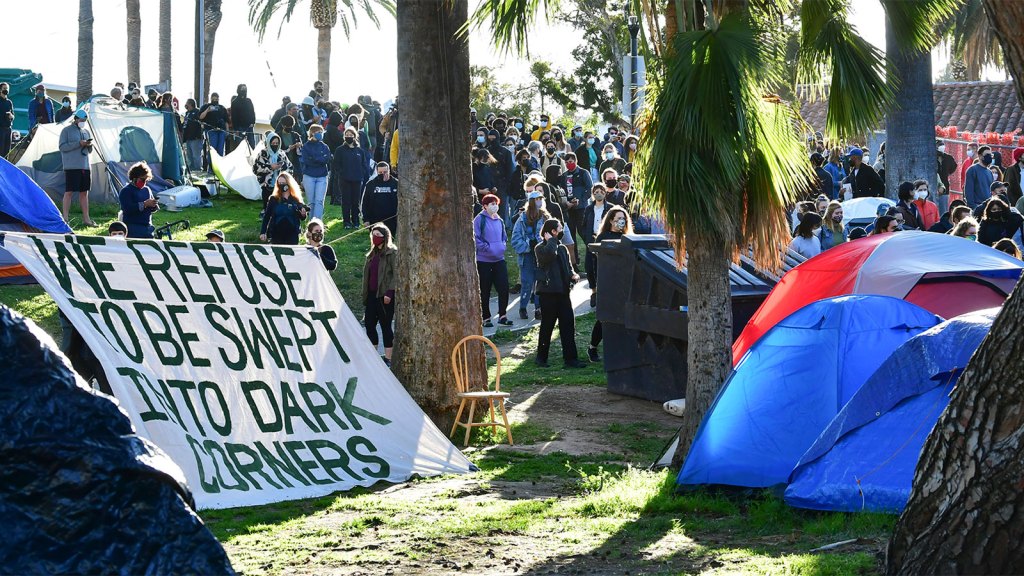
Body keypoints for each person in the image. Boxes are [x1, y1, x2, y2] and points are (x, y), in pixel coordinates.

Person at [534, 219, 587, 368]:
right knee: (547, 326)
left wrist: (573, 275)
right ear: (552, 231)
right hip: (548, 293)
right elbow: (548, 256)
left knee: (568, 325)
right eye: (559, 228)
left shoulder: (562, 248)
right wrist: (550, 241)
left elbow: (568, 267)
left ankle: (571, 359)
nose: (561, 230)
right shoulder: (540, 248)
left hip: (563, 292)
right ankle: (541, 358)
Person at [587, 206, 632, 362]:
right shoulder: (603, 237)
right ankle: (593, 347)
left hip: (624, 282)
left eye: (623, 218)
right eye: (618, 218)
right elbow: (596, 262)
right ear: (611, 220)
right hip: (607, 282)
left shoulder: (628, 237)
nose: (622, 221)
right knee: (604, 317)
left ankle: (620, 349)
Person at [475, 194, 513, 328]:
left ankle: (503, 315)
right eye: (491, 204)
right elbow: (476, 238)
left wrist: (502, 246)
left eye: (496, 203)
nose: (494, 206)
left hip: (499, 260)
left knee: (503, 288)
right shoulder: (479, 220)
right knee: (485, 290)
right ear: (485, 206)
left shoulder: (500, 220)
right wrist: (487, 248)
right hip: (484, 261)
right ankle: (486, 317)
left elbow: (504, 237)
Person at [363, 223, 397, 366]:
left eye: (378, 235)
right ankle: (373, 355)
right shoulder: (371, 254)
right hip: (371, 295)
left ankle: (388, 358)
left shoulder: (392, 253)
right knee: (369, 325)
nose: (375, 237)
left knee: (385, 326)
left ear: (385, 237)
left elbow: (396, 274)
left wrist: (389, 292)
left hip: (385, 296)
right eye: (373, 235)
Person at [512, 190, 549, 320]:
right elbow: (515, 240)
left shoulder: (545, 217)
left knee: (540, 283)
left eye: (541, 198)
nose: (540, 201)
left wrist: (541, 245)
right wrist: (528, 245)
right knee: (527, 283)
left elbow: (552, 235)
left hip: (540, 256)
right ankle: (523, 307)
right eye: (537, 199)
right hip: (527, 256)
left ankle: (538, 309)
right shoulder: (522, 219)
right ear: (532, 201)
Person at [58, 109, 96, 226]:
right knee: (69, 192)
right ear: (75, 119)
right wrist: (79, 143)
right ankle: (65, 218)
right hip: (71, 166)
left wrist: (89, 145)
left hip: (85, 166)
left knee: (84, 192)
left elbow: (89, 150)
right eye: (81, 120)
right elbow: (62, 147)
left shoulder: (86, 131)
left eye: (85, 120)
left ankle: (86, 219)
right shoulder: (66, 131)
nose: (83, 122)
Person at [332, 127, 371, 228]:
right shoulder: (340, 150)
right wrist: (341, 173)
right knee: (346, 201)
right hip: (344, 179)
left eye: (351, 135)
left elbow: (364, 164)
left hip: (357, 179)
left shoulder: (359, 151)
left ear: (355, 136)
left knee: (355, 201)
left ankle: (356, 221)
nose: (348, 137)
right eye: (347, 135)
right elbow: (336, 164)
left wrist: (362, 174)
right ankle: (346, 222)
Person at [559, 152, 594, 262]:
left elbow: (589, 188)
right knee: (571, 234)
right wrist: (567, 203)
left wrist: (582, 200)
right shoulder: (564, 175)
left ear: (575, 161)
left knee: (583, 231)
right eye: (566, 162)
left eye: (570, 162)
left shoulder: (583, 172)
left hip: (582, 208)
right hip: (569, 209)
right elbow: (562, 191)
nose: (569, 164)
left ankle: (592, 253)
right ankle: (574, 260)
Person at [260, 172, 308, 245]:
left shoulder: (295, 199)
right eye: (279, 183)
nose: (281, 185)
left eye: (283, 183)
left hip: (292, 233)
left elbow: (302, 217)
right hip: (276, 233)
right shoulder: (273, 199)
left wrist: (303, 214)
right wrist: (263, 232)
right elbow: (267, 216)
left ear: (289, 184)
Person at [252, 131, 294, 214]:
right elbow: (256, 168)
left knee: (279, 204)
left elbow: (290, 167)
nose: (275, 145)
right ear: (268, 142)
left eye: (277, 143)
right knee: (267, 204)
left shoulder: (282, 154)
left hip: (280, 184)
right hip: (266, 184)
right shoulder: (263, 153)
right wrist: (270, 167)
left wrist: (283, 172)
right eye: (273, 143)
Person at [583, 183, 611, 303]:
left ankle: (603, 292)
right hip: (591, 239)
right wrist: (587, 238)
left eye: (601, 191)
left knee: (602, 267)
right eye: (596, 191)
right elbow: (584, 225)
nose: (598, 193)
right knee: (589, 267)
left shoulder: (610, 208)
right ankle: (593, 291)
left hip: (603, 240)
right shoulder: (589, 209)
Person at [118, 162, 160, 238]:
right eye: (143, 180)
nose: (144, 183)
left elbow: (150, 208)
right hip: (132, 227)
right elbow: (127, 209)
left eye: (146, 180)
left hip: (147, 226)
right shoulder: (126, 191)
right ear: (134, 177)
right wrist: (145, 204)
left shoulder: (147, 190)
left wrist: (154, 205)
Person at [301, 124, 331, 220]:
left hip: (322, 176)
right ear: (312, 133)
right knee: (311, 201)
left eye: (322, 132)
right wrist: (320, 159)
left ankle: (317, 221)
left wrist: (315, 158)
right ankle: (311, 222)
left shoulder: (325, 146)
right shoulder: (306, 146)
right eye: (319, 132)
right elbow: (306, 160)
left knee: (319, 201)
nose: (321, 134)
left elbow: (327, 159)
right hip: (309, 176)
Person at [361, 162, 399, 237]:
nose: (383, 174)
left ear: (389, 171)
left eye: (385, 172)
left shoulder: (396, 183)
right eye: (380, 172)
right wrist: (366, 219)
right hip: (374, 220)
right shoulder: (371, 184)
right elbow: (364, 203)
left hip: (392, 220)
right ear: (377, 172)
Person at [199, 92, 229, 159]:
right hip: (211, 130)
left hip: (221, 130)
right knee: (212, 149)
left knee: (220, 150)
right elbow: (201, 117)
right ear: (211, 98)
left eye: (216, 99)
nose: (215, 100)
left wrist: (227, 131)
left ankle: (219, 166)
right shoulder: (206, 106)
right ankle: (211, 167)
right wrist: (207, 110)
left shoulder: (222, 108)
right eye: (214, 99)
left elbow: (226, 120)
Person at [230, 83, 257, 149]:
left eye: (245, 89)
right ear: (238, 90)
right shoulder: (234, 102)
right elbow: (234, 116)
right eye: (242, 89)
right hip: (239, 128)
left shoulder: (249, 101)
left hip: (249, 127)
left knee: (252, 146)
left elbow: (252, 112)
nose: (244, 90)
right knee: (240, 148)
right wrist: (236, 128)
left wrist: (253, 122)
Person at [936, 140, 957, 213]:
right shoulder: (931, 158)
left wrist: (946, 173)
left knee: (943, 210)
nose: (941, 146)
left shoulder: (948, 158)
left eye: (942, 144)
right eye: (939, 144)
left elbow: (953, 167)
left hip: (945, 187)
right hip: (933, 187)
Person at [0, 83, 13, 157]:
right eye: (4, 88)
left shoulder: (9, 102)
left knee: (7, 151)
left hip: (8, 129)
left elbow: (13, 115)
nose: (6, 90)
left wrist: (11, 116)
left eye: (7, 88)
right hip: (0, 129)